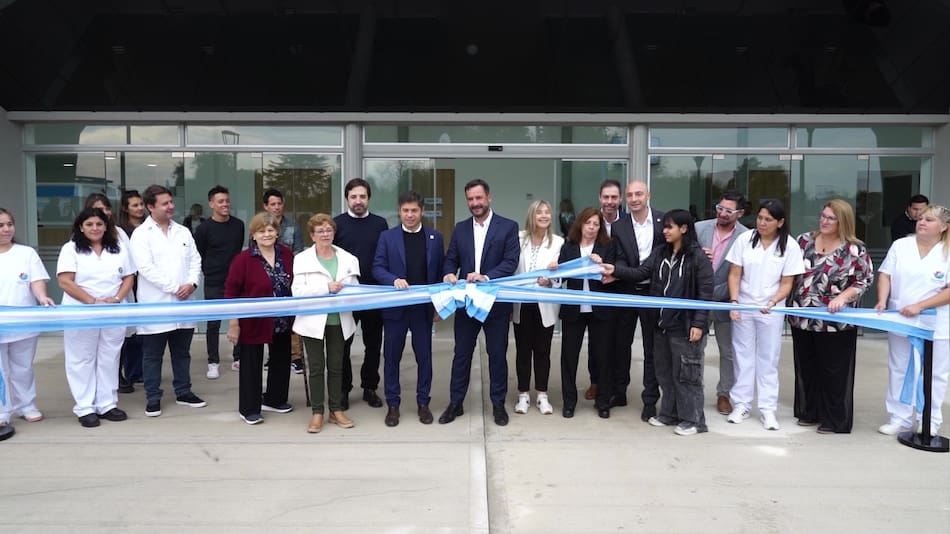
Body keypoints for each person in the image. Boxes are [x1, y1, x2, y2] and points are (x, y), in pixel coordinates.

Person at [620, 209, 714, 435]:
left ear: (683, 229)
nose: (665, 231)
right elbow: (641, 271)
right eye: (664, 227)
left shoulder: (697, 257)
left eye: (669, 227)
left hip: (685, 326)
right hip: (661, 325)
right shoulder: (661, 252)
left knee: (687, 374)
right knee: (664, 372)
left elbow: (705, 291)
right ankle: (669, 414)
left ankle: (693, 420)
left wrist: (698, 324)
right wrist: (614, 270)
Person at [439, 179, 520, 427]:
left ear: (489, 197)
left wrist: (486, 277)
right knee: (461, 354)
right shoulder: (460, 228)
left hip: (495, 304)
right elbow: (451, 258)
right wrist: (449, 273)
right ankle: (456, 403)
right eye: (470, 199)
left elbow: (511, 261)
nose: (475, 203)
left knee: (496, 355)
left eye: (478, 198)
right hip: (466, 304)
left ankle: (497, 404)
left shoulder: (507, 226)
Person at [789, 199, 874, 434]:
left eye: (830, 218)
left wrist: (843, 297)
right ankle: (810, 411)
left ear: (842, 221)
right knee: (806, 366)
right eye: (823, 216)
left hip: (836, 321)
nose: (824, 221)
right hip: (802, 316)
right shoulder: (803, 241)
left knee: (833, 371)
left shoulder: (854, 249)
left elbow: (864, 280)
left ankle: (834, 419)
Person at [726, 199, 805, 430]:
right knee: (742, 355)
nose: (762, 223)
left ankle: (768, 409)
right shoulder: (744, 240)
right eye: (760, 218)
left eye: (768, 219)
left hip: (772, 308)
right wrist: (733, 302)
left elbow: (787, 281)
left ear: (780, 222)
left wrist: (773, 301)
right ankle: (741, 404)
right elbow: (734, 274)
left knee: (768, 358)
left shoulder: (789, 246)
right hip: (744, 305)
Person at [130, 185, 207, 417]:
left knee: (182, 352)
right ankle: (153, 397)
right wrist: (174, 288)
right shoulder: (141, 234)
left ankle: (184, 392)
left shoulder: (183, 231)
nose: (170, 206)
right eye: (165, 203)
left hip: (184, 303)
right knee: (152, 355)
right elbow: (145, 268)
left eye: (171, 202)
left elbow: (195, 260)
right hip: (157, 303)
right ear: (150, 207)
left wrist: (192, 284)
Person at [56, 207, 136, 427]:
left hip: (113, 311)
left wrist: (118, 298)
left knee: (109, 357)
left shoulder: (118, 248)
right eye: (89, 224)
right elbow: (65, 281)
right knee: (82, 358)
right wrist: (92, 301)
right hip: (81, 311)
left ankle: (107, 403)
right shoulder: (71, 249)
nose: (95, 228)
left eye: (99, 224)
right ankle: (85, 407)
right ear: (81, 227)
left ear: (106, 226)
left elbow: (129, 277)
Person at [875, 204, 950, 436]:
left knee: (935, 372)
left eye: (929, 219)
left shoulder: (947, 251)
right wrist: (882, 300)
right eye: (920, 218)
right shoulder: (901, 245)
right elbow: (886, 274)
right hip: (901, 317)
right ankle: (900, 417)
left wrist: (921, 306)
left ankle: (930, 419)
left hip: (936, 320)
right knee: (898, 367)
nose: (922, 222)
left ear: (944, 227)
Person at [372, 191, 445, 426]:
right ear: (399, 211)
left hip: (422, 309)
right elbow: (377, 267)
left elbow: (440, 272)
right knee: (391, 357)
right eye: (405, 211)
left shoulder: (435, 237)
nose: (410, 215)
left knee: (424, 357)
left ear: (422, 211)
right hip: (395, 308)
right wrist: (392, 279)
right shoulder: (387, 237)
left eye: (414, 210)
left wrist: (438, 305)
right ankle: (393, 405)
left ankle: (423, 403)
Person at [224, 212, 294, 425]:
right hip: (252, 321)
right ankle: (249, 408)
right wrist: (234, 324)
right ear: (253, 235)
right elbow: (231, 293)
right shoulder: (243, 259)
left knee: (281, 360)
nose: (267, 234)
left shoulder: (286, 254)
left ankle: (275, 398)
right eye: (262, 231)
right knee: (251, 364)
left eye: (271, 230)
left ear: (277, 233)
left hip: (282, 318)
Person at [292, 214, 360, 433]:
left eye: (328, 230)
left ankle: (336, 410)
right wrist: (326, 288)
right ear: (312, 235)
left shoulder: (348, 258)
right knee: (316, 368)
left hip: (339, 321)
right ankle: (317, 412)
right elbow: (297, 292)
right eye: (320, 231)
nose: (325, 234)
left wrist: (348, 292)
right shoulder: (302, 259)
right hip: (313, 322)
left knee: (337, 367)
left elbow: (356, 289)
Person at [610, 180, 665, 421]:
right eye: (630, 195)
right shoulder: (619, 226)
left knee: (651, 348)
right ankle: (619, 391)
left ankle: (650, 399)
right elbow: (619, 258)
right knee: (620, 345)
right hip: (626, 290)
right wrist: (622, 272)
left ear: (648, 195)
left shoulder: (664, 221)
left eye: (639, 194)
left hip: (654, 293)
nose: (634, 199)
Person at [333, 178, 388, 410]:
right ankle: (344, 389)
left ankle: (370, 387)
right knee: (343, 342)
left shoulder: (380, 224)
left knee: (373, 343)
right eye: (354, 196)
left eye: (362, 196)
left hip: (373, 292)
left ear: (368, 199)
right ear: (347, 198)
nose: (358, 201)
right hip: (346, 293)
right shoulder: (336, 224)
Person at [556, 207, 616, 419]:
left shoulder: (607, 246)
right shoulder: (569, 246)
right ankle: (569, 402)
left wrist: (603, 266)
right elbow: (559, 279)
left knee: (602, 356)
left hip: (600, 309)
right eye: (588, 223)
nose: (591, 227)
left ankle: (603, 402)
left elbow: (615, 273)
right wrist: (554, 272)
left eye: (596, 224)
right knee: (569, 357)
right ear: (580, 224)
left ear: (600, 227)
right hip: (574, 310)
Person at [0, 208, 55, 435]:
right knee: (0, 371)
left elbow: (37, 281)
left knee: (22, 367)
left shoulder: (26, 253)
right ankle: (3, 412)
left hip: (24, 320)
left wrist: (42, 297)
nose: (6, 229)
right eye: (1, 225)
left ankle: (26, 405)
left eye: (9, 224)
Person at [695, 190, 749, 416]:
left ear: (740, 213)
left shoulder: (746, 236)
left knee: (728, 351)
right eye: (720, 208)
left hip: (727, 299)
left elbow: (744, 270)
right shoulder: (699, 228)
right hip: (698, 299)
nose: (722, 213)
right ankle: (694, 390)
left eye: (729, 210)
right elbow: (683, 255)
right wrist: (698, 255)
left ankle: (724, 394)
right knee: (695, 348)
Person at [512, 200, 563, 415]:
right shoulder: (518, 239)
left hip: (545, 305)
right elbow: (511, 268)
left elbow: (562, 274)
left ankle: (542, 395)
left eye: (547, 212)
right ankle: (523, 394)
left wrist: (551, 280)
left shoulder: (559, 242)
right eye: (539, 212)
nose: (544, 216)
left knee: (543, 351)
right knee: (523, 351)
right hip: (522, 304)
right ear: (532, 216)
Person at [83, 192, 137, 394]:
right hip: (90, 303)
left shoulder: (120, 233)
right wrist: (92, 299)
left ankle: (112, 384)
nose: (104, 213)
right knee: (90, 351)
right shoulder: (78, 241)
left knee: (115, 344)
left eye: (106, 208)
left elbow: (129, 269)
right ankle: (91, 393)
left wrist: (118, 296)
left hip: (119, 296)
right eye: (98, 209)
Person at [194, 185, 245, 378]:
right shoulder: (203, 229)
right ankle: (213, 362)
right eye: (220, 201)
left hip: (236, 280)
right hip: (214, 281)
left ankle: (238, 358)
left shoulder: (238, 225)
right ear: (211, 204)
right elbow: (199, 254)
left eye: (227, 200)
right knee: (213, 323)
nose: (225, 204)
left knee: (239, 320)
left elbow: (237, 250)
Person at [262, 188, 306, 374]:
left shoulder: (293, 227)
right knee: (271, 318)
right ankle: (274, 356)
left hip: (289, 276)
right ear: (266, 206)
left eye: (279, 203)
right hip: (267, 278)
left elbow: (298, 252)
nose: (277, 207)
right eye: (273, 204)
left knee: (292, 317)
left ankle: (296, 357)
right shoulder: (261, 226)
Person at [117, 189, 146, 386]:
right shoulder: (120, 231)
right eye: (134, 205)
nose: (139, 208)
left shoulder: (149, 227)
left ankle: (137, 371)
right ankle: (121, 373)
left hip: (145, 282)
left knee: (140, 331)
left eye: (141, 204)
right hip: (126, 284)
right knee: (125, 333)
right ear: (125, 209)